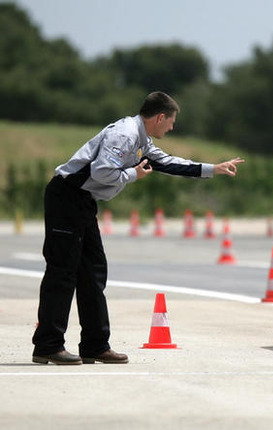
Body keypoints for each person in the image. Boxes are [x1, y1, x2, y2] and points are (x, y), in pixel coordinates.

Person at [32, 91, 245, 365]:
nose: (172, 127)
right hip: (66, 198)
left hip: (83, 202)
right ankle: (48, 345)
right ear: (159, 117)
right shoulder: (124, 134)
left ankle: (95, 345)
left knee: (93, 273)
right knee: (62, 272)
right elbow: (101, 171)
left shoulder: (142, 141)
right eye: (171, 121)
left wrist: (213, 169)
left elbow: (168, 163)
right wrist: (134, 174)